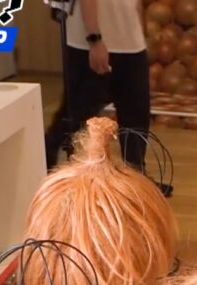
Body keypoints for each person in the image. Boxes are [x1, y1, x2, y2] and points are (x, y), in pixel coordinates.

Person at [44, 0, 150, 173]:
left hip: (131, 43)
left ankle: (136, 176)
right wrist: (95, 40)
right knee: (75, 116)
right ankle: (46, 170)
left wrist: (141, 35)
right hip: (90, 44)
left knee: (136, 119)